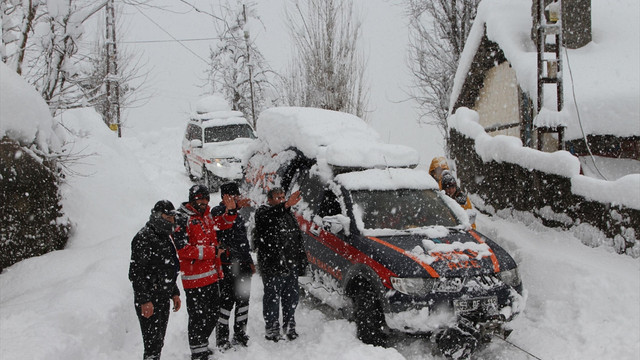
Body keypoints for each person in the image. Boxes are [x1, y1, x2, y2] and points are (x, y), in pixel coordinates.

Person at [175, 185, 237, 360]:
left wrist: (231, 212)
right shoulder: (182, 218)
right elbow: (183, 249)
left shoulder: (207, 214)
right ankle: (198, 352)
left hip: (211, 276)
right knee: (197, 317)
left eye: (206, 198)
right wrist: (211, 252)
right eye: (200, 198)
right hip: (194, 279)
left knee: (212, 314)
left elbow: (222, 224)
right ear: (192, 198)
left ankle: (202, 345)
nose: (203, 202)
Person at [129, 200, 182, 360]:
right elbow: (136, 273)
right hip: (150, 299)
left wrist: (174, 292)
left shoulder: (164, 237)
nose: (172, 221)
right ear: (158, 216)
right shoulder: (143, 237)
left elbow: (169, 267)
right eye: (168, 217)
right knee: (152, 345)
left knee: (158, 342)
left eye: (173, 218)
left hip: (163, 297)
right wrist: (145, 300)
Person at [253, 188, 308, 342]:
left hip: (290, 264)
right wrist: (285, 205)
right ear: (270, 200)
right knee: (272, 297)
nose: (282, 200)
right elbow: (268, 217)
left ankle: (290, 325)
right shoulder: (263, 213)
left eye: (283, 197)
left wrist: (301, 259)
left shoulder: (288, 215)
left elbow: (297, 238)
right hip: (272, 264)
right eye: (278, 198)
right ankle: (272, 328)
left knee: (291, 297)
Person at [211, 182, 256, 350]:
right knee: (226, 303)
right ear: (225, 197)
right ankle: (222, 338)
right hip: (227, 266)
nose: (238, 198)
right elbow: (222, 226)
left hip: (242, 264)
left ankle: (240, 333)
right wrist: (231, 210)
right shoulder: (217, 212)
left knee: (243, 301)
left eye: (238, 195)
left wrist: (249, 261)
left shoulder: (238, 214)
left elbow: (242, 241)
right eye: (234, 196)